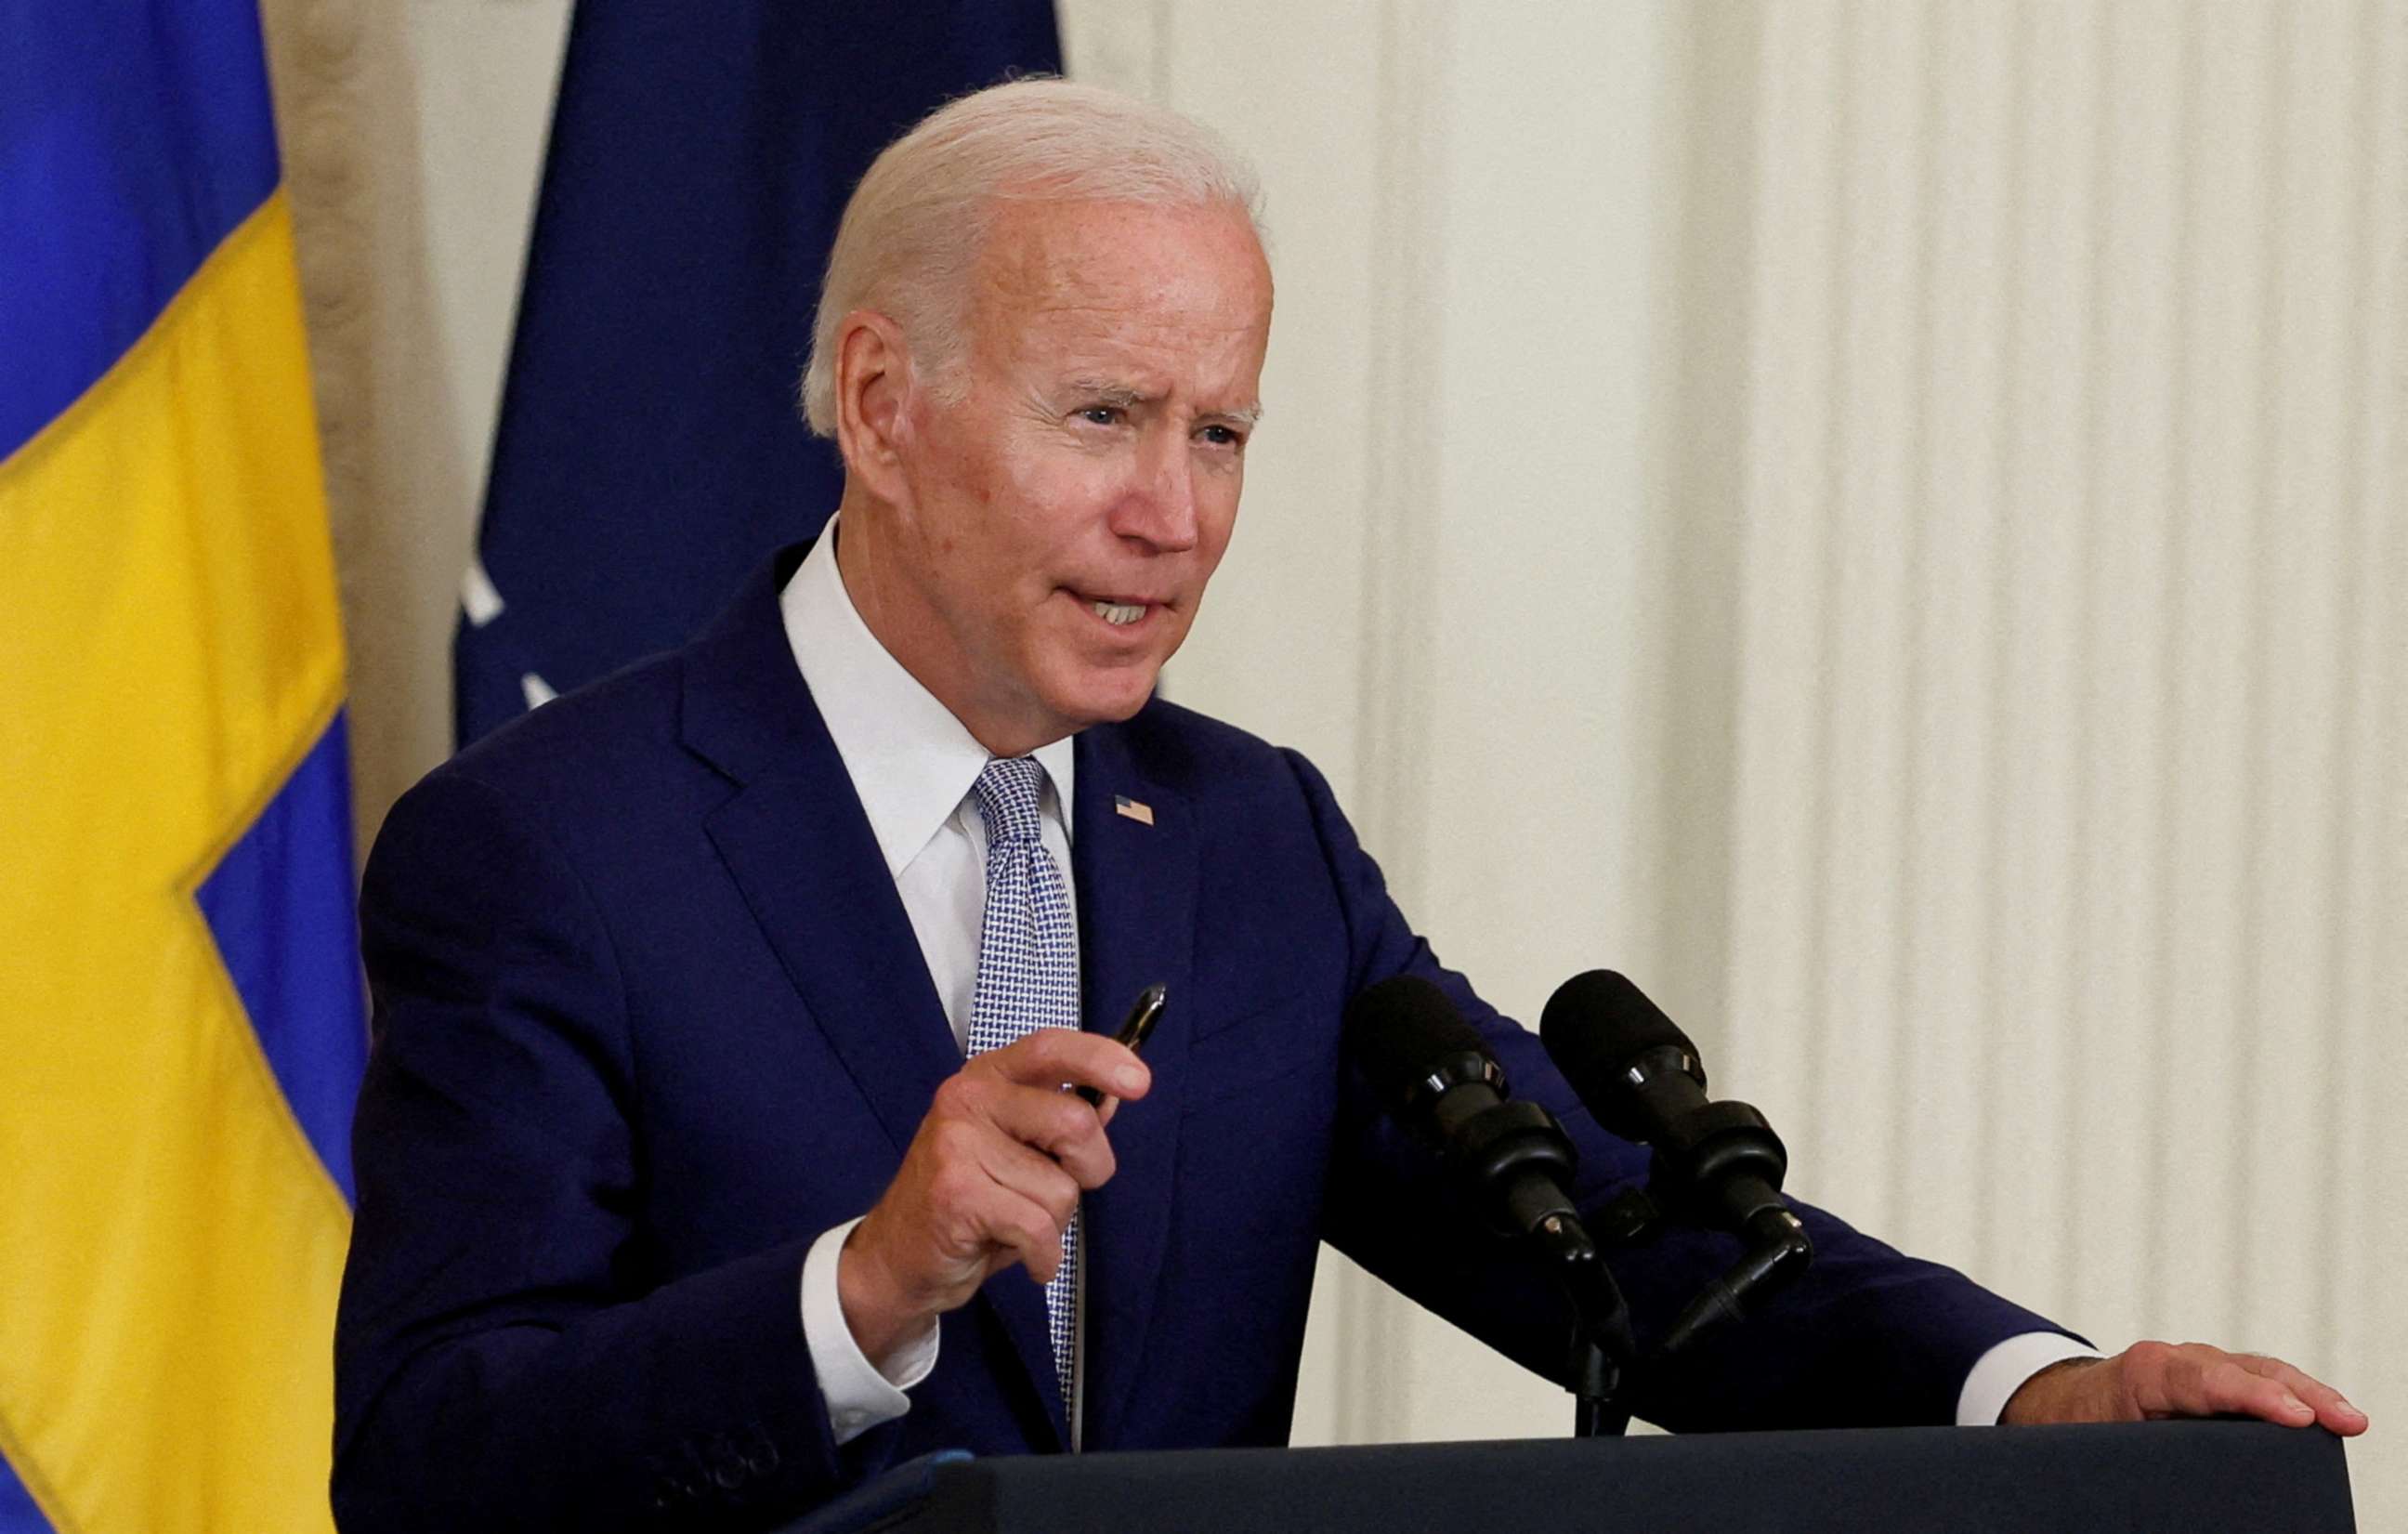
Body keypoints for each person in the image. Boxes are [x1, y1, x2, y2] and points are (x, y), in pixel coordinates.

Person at [331, 80, 2363, 1532]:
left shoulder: (1244, 841)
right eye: (1107, 415)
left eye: (1222, 430)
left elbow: (1628, 1248)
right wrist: (861, 1289)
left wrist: (2041, 1392)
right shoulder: (550, 846)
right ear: (883, 405)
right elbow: (428, 1459)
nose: (1178, 513)